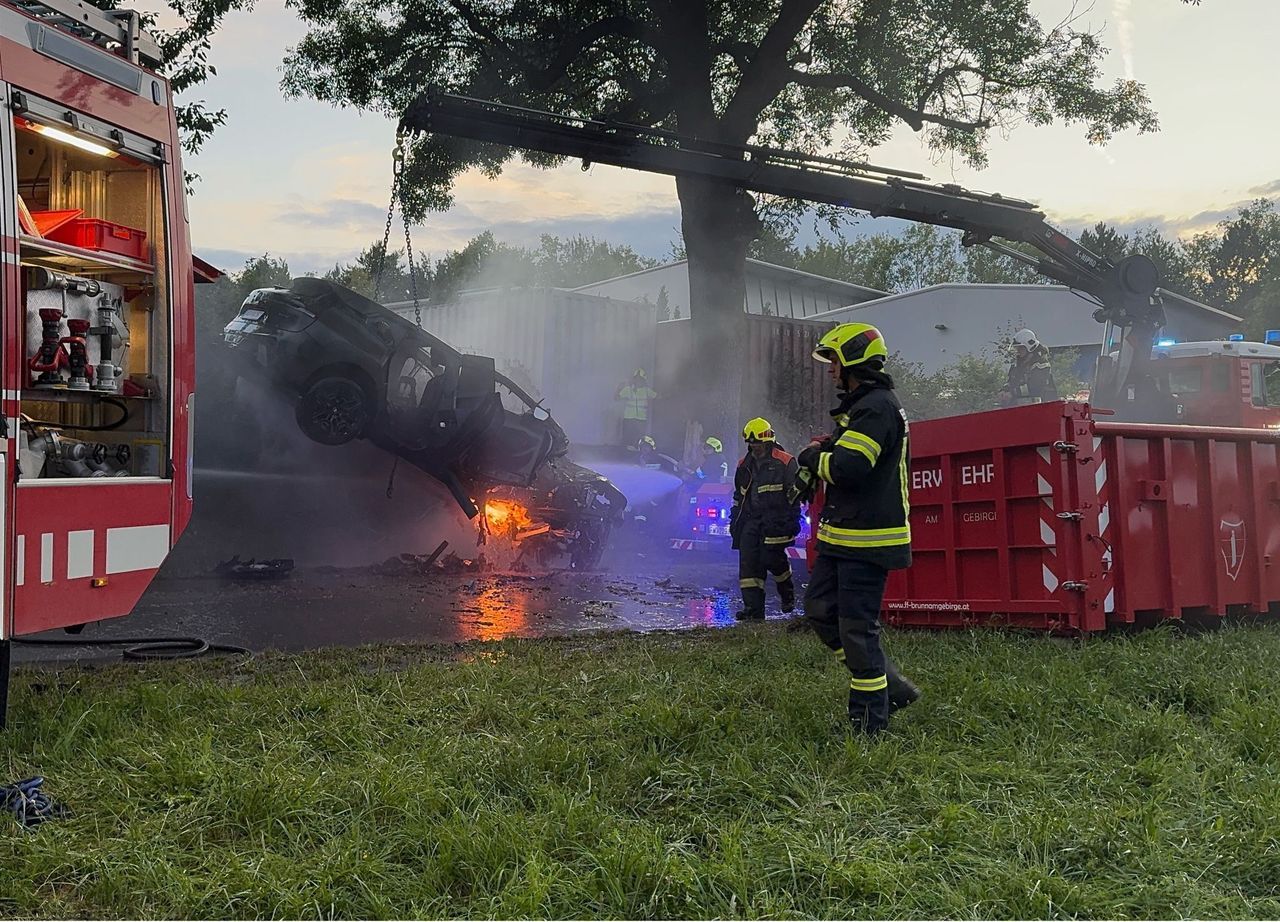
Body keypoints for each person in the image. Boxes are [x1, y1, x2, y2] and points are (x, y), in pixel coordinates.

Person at [797, 322, 920, 736]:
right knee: (820, 610)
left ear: (853, 359)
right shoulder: (863, 406)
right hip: (842, 537)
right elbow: (846, 454)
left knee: (856, 631)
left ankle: (870, 724)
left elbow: (849, 468)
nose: (831, 369)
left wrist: (810, 459)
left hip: (868, 540)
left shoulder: (876, 407)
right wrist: (824, 450)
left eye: (834, 360)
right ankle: (890, 684)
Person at [729, 418, 800, 620]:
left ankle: (787, 593)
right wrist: (735, 520)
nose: (755, 447)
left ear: (768, 442)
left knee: (772, 558)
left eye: (758, 443)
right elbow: (739, 495)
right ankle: (753, 611)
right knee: (749, 565)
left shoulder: (785, 462)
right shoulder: (744, 465)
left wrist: (791, 521)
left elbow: (795, 495)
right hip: (750, 520)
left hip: (777, 520)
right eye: (751, 443)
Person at [1000, 328, 1058, 405]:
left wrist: (1012, 393)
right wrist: (1004, 390)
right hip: (1024, 407)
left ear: (1030, 347)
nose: (1018, 351)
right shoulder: (1017, 365)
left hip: (1044, 406)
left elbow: (1035, 387)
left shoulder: (1041, 364)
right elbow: (1011, 381)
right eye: (1017, 348)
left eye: (1021, 348)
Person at [617, 369, 658, 447]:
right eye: (637, 378)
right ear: (634, 379)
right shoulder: (628, 389)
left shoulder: (647, 391)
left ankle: (636, 452)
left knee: (639, 438)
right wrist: (619, 388)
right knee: (627, 438)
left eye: (640, 379)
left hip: (641, 419)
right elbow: (616, 398)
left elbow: (658, 397)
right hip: (629, 418)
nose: (638, 381)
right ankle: (626, 452)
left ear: (643, 380)